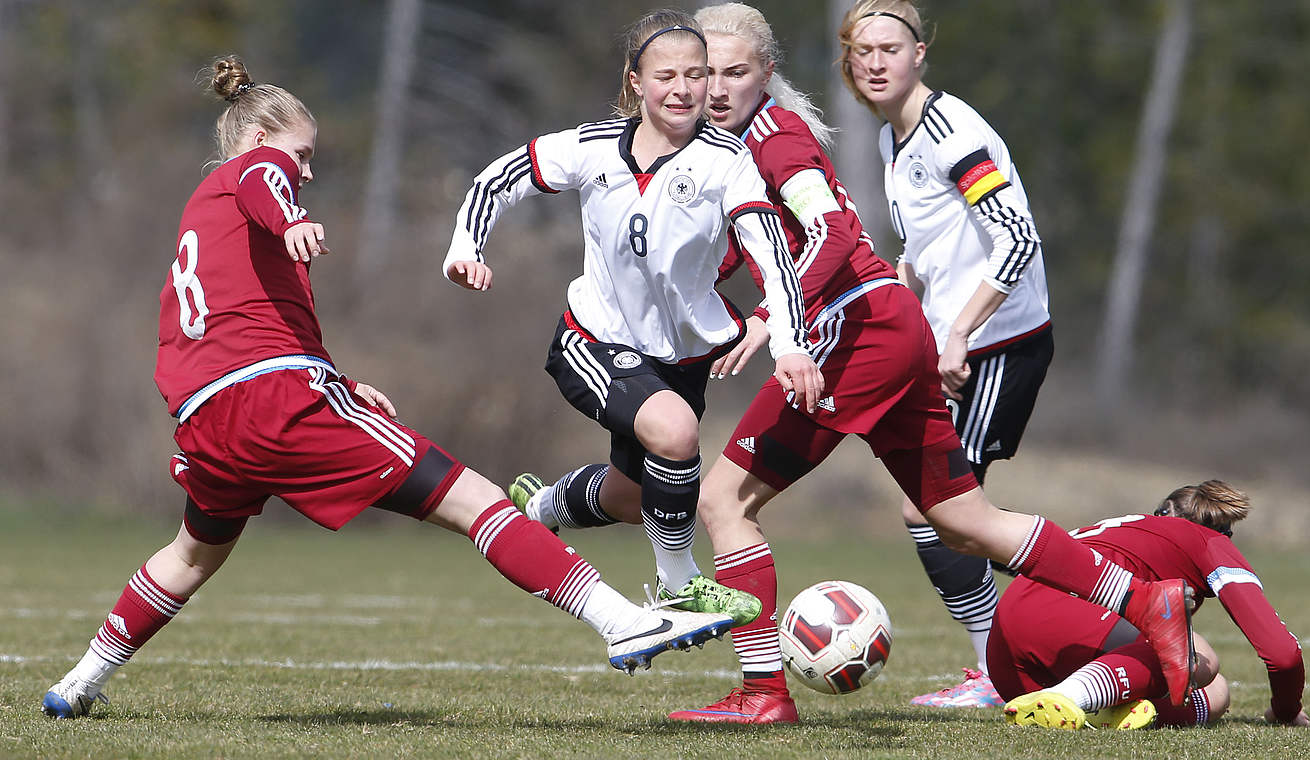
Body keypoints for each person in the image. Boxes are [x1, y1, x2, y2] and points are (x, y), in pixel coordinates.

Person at [523, 2, 1198, 723]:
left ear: (766, 75)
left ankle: (763, 694)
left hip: (859, 333)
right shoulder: (719, 152)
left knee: (725, 502)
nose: (713, 88)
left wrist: (773, 318)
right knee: (963, 520)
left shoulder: (772, 138)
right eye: (703, 72)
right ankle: (1139, 598)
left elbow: (835, 233)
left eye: (734, 72)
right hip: (893, 323)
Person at [39, 56, 736, 720]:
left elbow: (248, 323)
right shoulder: (255, 175)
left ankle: (79, 683)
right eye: (304, 156)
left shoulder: (204, 214)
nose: (305, 171)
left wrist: (338, 381)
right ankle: (621, 622)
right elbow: (266, 178)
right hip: (274, 400)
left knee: (194, 552)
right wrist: (291, 220)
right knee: (477, 501)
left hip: (208, 418)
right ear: (257, 140)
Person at [444, 9, 823, 632]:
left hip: (681, 358)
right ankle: (678, 586)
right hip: (592, 341)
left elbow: (771, 254)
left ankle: (536, 507)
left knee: (633, 494)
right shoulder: (589, 148)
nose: (684, 89)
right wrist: (466, 248)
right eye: (667, 75)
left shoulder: (729, 161)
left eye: (696, 76)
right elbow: (498, 179)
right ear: (635, 83)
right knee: (673, 434)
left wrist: (788, 343)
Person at [838, 0, 1053, 706]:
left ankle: (1090, 611)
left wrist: (958, 332)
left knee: (943, 509)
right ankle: (1009, 663)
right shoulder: (889, 141)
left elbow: (1017, 240)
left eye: (890, 49)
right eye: (862, 50)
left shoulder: (950, 131)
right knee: (934, 508)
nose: (875, 62)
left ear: (919, 54)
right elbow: (927, 249)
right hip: (953, 346)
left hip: (1000, 343)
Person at [994, 481, 1308, 730]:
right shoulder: (1209, 541)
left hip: (1006, 657)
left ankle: (1089, 707)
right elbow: (1282, 654)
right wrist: (1286, 710)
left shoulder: (1117, 526)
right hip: (1067, 622)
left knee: (1205, 684)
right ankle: (1068, 697)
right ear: (1223, 532)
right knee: (1203, 663)